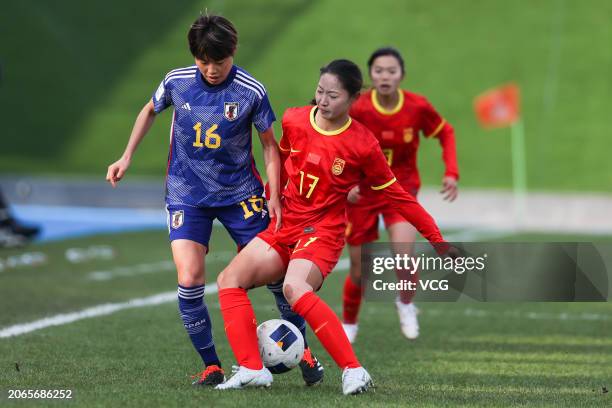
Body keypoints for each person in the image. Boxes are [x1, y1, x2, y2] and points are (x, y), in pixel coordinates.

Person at [106, 14, 322, 387]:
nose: (210, 69)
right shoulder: (177, 82)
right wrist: (126, 156)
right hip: (187, 195)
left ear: (232, 53)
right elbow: (149, 110)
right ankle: (211, 365)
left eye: (218, 62)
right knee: (189, 277)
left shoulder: (251, 91)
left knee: (278, 272)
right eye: (203, 61)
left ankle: (301, 349)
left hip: (241, 195)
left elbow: (270, 146)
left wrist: (274, 193)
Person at [214, 59, 451, 394]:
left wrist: (436, 238)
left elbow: (400, 198)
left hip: (322, 233)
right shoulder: (295, 118)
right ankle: (253, 369)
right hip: (285, 226)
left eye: (333, 96)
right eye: (320, 91)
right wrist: (273, 195)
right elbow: (282, 157)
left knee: (293, 288)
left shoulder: (362, 144)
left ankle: (354, 371)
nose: (323, 100)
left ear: (354, 98)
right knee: (229, 280)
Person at [342, 47, 459, 342]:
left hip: (400, 190)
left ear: (402, 75)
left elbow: (446, 132)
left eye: (391, 71)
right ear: (371, 74)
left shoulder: (417, 107)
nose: (385, 76)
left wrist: (451, 172)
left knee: (404, 257)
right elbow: (336, 142)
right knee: (359, 270)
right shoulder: (358, 108)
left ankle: (405, 304)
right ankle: (350, 322)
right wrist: (345, 182)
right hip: (363, 194)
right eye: (379, 70)